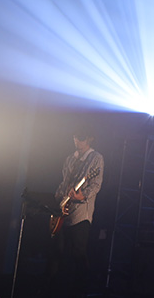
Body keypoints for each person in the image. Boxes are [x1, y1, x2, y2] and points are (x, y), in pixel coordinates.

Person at [49, 126, 104, 297]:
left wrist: (82, 196)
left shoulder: (96, 158)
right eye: (75, 137)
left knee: (78, 253)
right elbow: (64, 181)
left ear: (89, 139)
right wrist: (58, 196)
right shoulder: (70, 159)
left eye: (81, 138)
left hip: (81, 214)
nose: (77, 141)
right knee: (57, 252)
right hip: (63, 211)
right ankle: (54, 290)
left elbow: (96, 185)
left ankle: (80, 291)